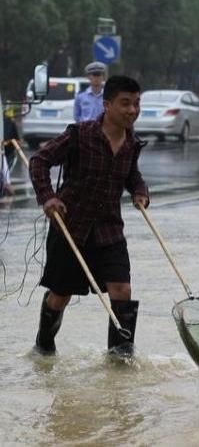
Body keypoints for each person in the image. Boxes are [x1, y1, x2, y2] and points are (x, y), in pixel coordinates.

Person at [29, 75, 149, 356]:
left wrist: (140, 191)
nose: (132, 110)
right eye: (125, 104)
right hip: (71, 227)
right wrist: (48, 197)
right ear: (107, 105)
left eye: (136, 104)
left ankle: (120, 359)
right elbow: (39, 161)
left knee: (122, 289)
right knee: (60, 295)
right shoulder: (79, 135)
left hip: (109, 231)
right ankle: (44, 347)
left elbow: (132, 175)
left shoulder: (132, 144)